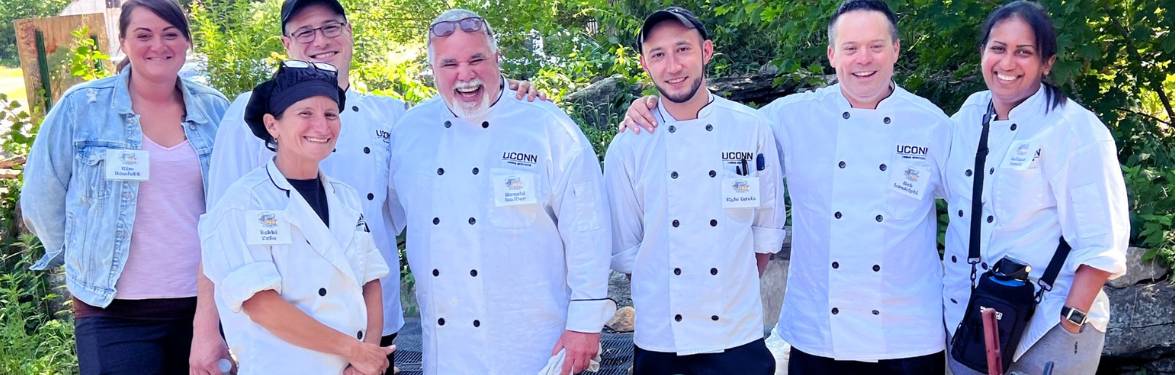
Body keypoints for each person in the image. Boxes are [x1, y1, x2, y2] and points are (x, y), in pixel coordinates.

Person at [192, 0, 548, 372]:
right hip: (282, 334)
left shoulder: (392, 116)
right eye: (305, 32)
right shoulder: (245, 114)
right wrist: (204, 332)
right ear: (286, 43)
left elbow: (460, 128)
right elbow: (217, 234)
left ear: (348, 33)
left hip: (374, 324)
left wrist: (508, 97)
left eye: (330, 27)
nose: (320, 40)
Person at [620, 1, 952, 373]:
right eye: (850, 48)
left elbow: (970, 215)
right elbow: (712, 126)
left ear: (896, 50)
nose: (863, 59)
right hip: (819, 331)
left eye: (875, 46)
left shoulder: (934, 125)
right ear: (831, 55)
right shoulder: (792, 116)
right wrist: (652, 107)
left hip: (909, 333)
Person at [386, 8, 614, 375]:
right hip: (448, 350)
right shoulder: (409, 132)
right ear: (432, 70)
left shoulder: (548, 126)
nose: (465, 75)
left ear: (497, 58)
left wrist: (586, 323)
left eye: (476, 58)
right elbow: (385, 217)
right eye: (449, 64)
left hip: (536, 342)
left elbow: (588, 229)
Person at [19, 0, 230, 373]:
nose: (158, 46)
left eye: (170, 34)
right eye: (143, 35)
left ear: (187, 43)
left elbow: (233, 206)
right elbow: (40, 200)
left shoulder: (217, 111)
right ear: (123, 42)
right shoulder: (81, 107)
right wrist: (87, 259)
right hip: (112, 313)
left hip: (204, 310)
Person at [942, 2, 1128, 374]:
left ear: (1046, 63)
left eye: (1023, 52)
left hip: (1048, 326)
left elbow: (1101, 241)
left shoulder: (1075, 130)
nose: (1007, 63)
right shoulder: (969, 115)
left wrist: (1070, 321)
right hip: (971, 319)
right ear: (983, 53)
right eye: (998, 48)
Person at [604, 7, 785, 375]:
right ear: (644, 64)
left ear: (706, 51)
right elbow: (629, 254)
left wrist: (730, 293)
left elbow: (764, 234)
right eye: (658, 55)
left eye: (683, 49)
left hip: (738, 334)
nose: (673, 66)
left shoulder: (751, 129)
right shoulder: (628, 146)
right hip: (661, 339)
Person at [199, 61, 393, 375]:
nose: (322, 126)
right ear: (272, 125)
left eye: (331, 114)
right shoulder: (244, 202)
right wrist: (354, 350)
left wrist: (365, 360)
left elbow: (370, 281)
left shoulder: (345, 197)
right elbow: (261, 304)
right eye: (305, 113)